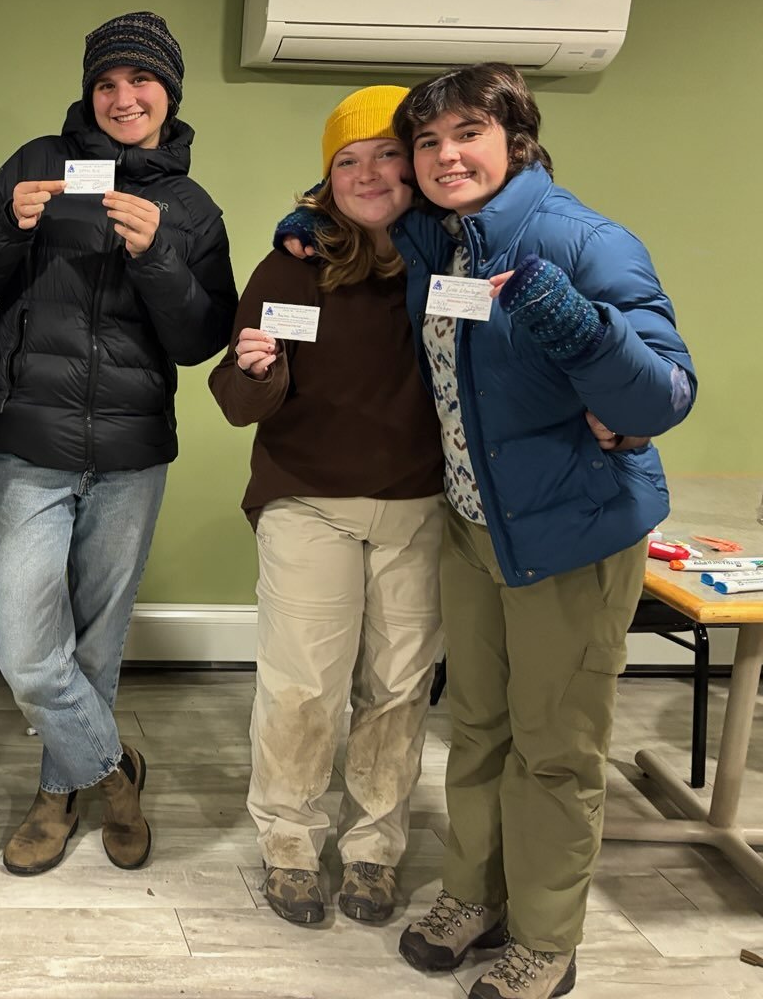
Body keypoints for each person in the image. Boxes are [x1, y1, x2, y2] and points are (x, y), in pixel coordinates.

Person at [279, 63, 694, 998]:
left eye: (467, 133)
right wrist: (304, 224)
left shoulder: (580, 240)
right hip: (474, 527)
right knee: (476, 730)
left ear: (518, 140)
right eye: (428, 142)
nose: (442, 155)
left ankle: (547, 938)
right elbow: (362, 206)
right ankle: (474, 893)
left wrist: (580, 329)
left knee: (555, 750)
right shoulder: (441, 238)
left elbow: (665, 392)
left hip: (571, 536)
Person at [0, 11, 237, 876]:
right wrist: (5, 226)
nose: (122, 98)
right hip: (30, 443)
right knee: (28, 647)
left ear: (169, 93)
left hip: (133, 453)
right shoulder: (37, 162)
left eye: (140, 83)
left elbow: (200, 339)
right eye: (106, 83)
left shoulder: (190, 207)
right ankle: (113, 772)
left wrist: (158, 262)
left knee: (96, 644)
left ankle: (54, 792)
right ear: (88, 91)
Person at [211, 86, 445, 928]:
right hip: (307, 501)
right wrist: (259, 369)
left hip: (420, 505)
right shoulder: (293, 263)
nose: (369, 173)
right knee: (305, 686)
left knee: (398, 686)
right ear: (327, 177)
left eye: (387, 153)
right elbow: (240, 400)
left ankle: (376, 848)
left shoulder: (450, 262)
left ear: (418, 164)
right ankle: (290, 842)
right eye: (348, 160)